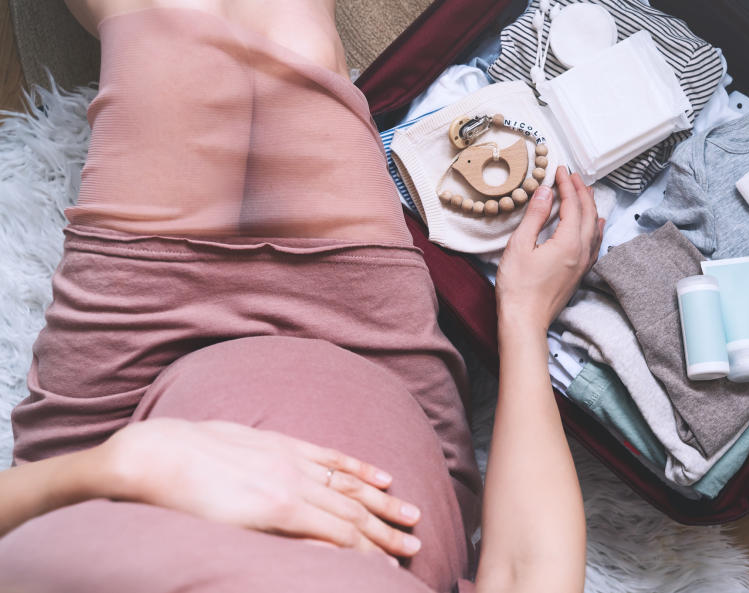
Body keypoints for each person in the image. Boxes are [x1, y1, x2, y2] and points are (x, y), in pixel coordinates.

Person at [0, 1, 604, 592]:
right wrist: (524, 318)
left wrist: (125, 467)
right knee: (295, 32)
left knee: (166, 24)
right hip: (373, 359)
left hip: (122, 409)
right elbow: (528, 572)